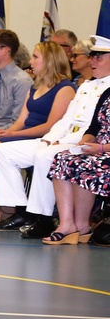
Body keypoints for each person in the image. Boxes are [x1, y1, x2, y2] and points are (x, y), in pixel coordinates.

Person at [0, 35, 110, 237]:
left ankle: (43, 218)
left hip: (84, 142)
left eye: (98, 57)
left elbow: (96, 127)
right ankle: (21, 209)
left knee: (46, 156)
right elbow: (67, 119)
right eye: (92, 56)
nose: (92, 61)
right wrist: (49, 138)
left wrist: (61, 142)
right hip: (63, 138)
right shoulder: (87, 86)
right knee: (2, 151)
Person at [0, 41, 75, 226]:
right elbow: (21, 120)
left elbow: (52, 126)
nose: (30, 61)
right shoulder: (35, 86)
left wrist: (10, 135)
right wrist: (7, 132)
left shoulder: (65, 88)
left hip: (42, 137)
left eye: (36, 57)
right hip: (25, 133)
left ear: (50, 60)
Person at [45, 84, 110, 245]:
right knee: (63, 158)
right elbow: (94, 127)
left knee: (88, 164)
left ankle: (82, 225)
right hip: (99, 147)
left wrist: (101, 148)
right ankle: (67, 224)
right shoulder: (107, 93)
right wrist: (86, 140)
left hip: (104, 150)